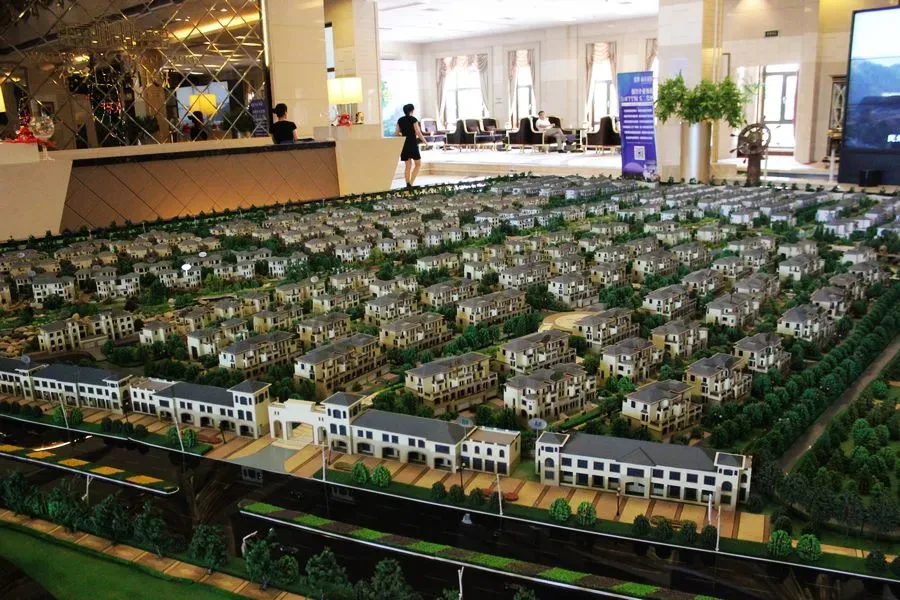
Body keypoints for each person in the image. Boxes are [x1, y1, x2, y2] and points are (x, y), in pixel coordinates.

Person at [395, 103, 427, 189]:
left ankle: (407, 184)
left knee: (408, 165)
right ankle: (411, 183)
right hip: (412, 143)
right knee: (418, 164)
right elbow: (418, 132)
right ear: (412, 111)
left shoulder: (400, 120)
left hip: (404, 144)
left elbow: (396, 133)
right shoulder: (413, 119)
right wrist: (425, 141)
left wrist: (403, 135)